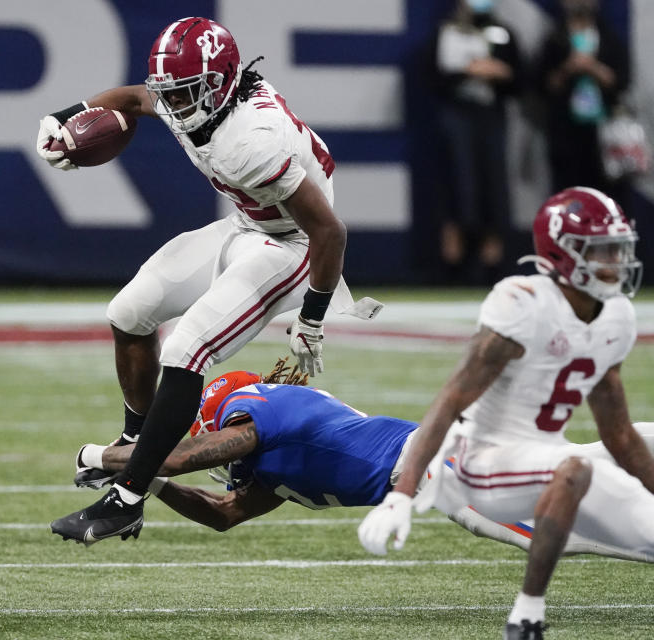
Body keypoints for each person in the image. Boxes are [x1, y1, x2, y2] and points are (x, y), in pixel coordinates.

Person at [35, 17, 380, 545]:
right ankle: (136, 438)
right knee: (128, 313)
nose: (174, 105)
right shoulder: (198, 95)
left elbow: (329, 231)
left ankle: (127, 495)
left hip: (291, 245)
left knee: (187, 349)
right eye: (173, 92)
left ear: (219, 84)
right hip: (246, 223)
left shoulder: (252, 138)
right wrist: (66, 117)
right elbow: (132, 99)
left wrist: (312, 317)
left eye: (186, 92)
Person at [357, 186, 649, 639]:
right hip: (481, 463)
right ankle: (526, 617)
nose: (615, 260)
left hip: (548, 458)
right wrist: (403, 493)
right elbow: (453, 398)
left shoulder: (616, 317)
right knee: (571, 469)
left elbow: (621, 438)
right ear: (562, 254)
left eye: (617, 248)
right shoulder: (524, 304)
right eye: (601, 250)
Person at [73, 359, 654, 566]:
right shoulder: (272, 460)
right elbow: (225, 514)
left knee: (567, 529)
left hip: (443, 470)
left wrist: (104, 456)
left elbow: (178, 456)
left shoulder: (257, 411)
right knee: (585, 463)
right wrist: (146, 485)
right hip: (444, 462)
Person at [430, 0, 522, 282]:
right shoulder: (446, 31)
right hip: (457, 113)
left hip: (491, 115)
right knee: (459, 183)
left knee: (493, 185)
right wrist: (468, 71)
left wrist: (501, 72)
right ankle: (454, 260)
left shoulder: (502, 32)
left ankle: (492, 259)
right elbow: (432, 76)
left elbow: (520, 77)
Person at [536, 0, 630, 200]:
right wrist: (568, 68)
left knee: (608, 197)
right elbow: (541, 85)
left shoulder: (609, 39)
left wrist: (593, 68)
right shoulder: (555, 39)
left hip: (605, 133)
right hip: (566, 133)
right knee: (570, 196)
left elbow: (623, 81)